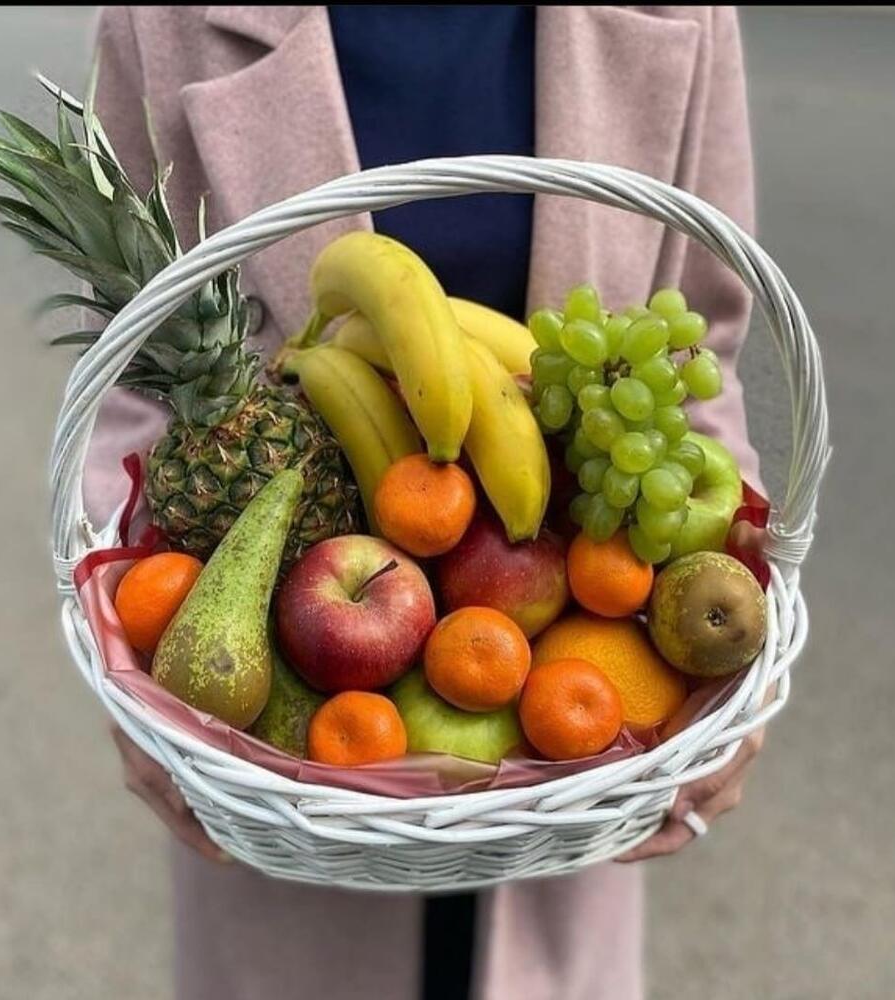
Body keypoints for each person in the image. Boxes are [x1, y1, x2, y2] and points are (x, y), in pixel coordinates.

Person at [88, 8, 765, 999]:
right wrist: (130, 679)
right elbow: (130, 378)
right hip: (280, 769)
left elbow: (699, 365)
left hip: (579, 731)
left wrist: (737, 674)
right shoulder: (165, 19)